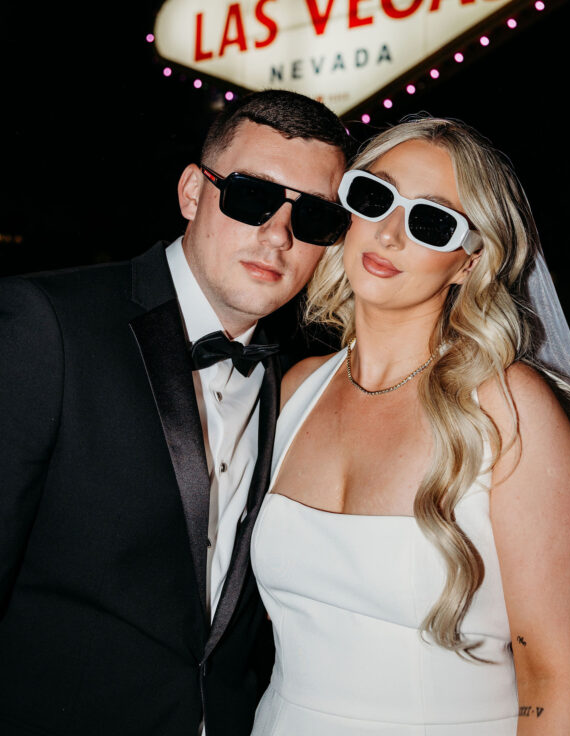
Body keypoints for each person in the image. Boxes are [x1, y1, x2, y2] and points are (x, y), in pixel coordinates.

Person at [250, 117, 570, 736]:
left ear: (469, 262)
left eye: (431, 222)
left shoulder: (509, 409)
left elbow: (553, 682)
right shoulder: (296, 389)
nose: (387, 233)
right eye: (374, 197)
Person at [0, 89, 352, 736]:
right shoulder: (46, 326)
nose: (276, 235)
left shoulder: (302, 385)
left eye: (313, 220)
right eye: (251, 195)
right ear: (193, 193)